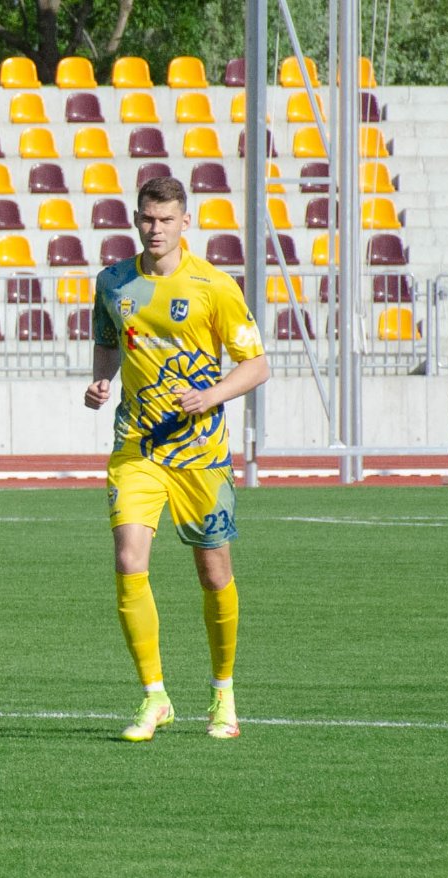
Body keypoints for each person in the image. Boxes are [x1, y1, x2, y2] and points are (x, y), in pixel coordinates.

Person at [84, 176, 270, 742]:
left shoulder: (214, 286)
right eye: (146, 218)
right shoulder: (113, 282)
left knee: (214, 572)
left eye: (166, 220)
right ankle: (154, 696)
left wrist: (211, 395)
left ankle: (223, 693)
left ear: (185, 223)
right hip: (138, 447)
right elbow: (109, 341)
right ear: (136, 220)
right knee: (128, 559)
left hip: (201, 453)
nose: (155, 228)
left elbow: (255, 364)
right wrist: (100, 379)